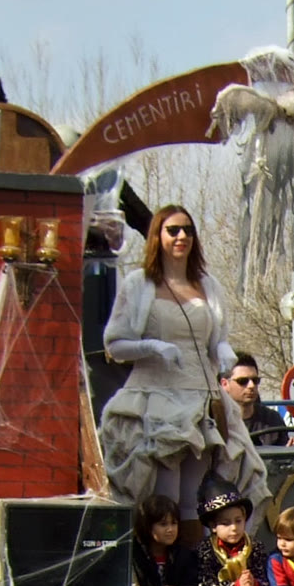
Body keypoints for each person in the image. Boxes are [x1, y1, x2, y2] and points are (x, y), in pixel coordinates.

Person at [99, 207, 255, 542]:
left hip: (201, 401)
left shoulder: (208, 286)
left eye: (188, 230)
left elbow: (216, 338)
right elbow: (114, 344)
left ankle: (191, 569)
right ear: (158, 236)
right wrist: (152, 347)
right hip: (156, 400)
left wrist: (223, 350)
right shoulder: (139, 284)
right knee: (163, 498)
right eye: (173, 230)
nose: (182, 236)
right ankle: (157, 568)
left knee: (195, 499)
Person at [223, 356, 294, 448]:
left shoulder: (272, 419)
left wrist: (292, 448)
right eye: (242, 381)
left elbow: (283, 451)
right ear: (225, 384)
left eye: (255, 380)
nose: (251, 385)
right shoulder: (217, 422)